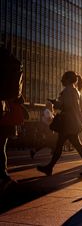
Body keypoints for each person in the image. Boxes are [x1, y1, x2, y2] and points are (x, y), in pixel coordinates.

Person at [37, 71, 82, 176]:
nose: (61, 81)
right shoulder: (76, 91)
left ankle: (50, 167)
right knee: (71, 145)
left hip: (68, 122)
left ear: (68, 80)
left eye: (63, 79)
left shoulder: (68, 91)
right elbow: (80, 109)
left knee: (62, 145)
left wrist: (55, 103)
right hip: (72, 122)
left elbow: (66, 106)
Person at [0, 47, 25, 191]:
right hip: (5, 110)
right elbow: (18, 95)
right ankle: (3, 173)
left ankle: (3, 174)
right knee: (1, 144)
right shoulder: (12, 65)